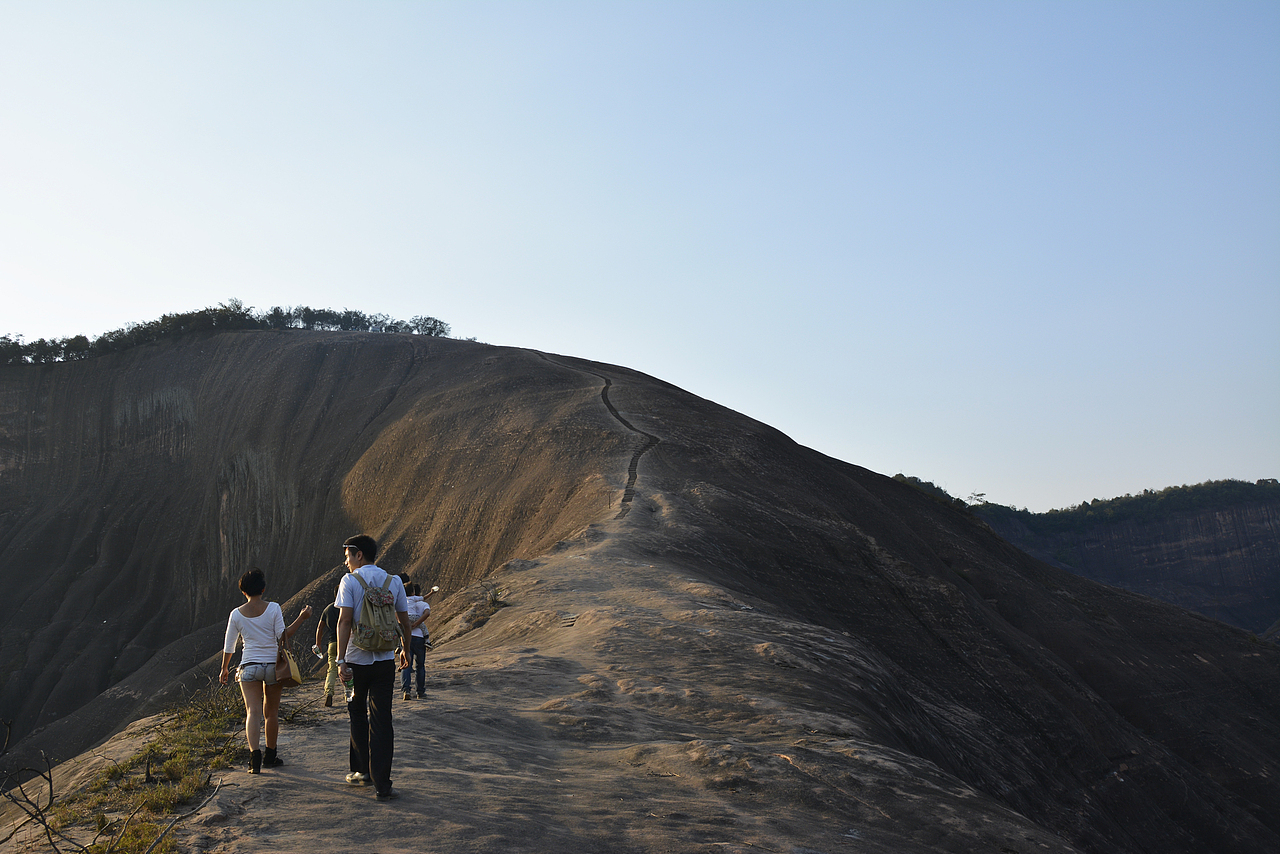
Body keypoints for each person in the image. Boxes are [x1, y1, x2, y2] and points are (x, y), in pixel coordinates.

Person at [336, 535, 413, 801]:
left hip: (356, 662)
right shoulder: (394, 582)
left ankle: (361, 772)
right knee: (382, 720)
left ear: (359, 555)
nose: (346, 562)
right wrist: (406, 650)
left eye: (347, 556)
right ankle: (383, 784)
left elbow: (344, 622)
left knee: (357, 712)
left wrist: (340, 660)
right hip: (384, 663)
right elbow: (404, 621)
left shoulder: (350, 581)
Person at [220, 568, 312, 774]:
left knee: (252, 712)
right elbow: (283, 636)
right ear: (263, 588)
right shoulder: (273, 608)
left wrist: (225, 668)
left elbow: (229, 646)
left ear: (243, 591)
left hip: (249, 667)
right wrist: (302, 617)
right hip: (272, 668)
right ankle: (271, 755)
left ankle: (254, 758)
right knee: (271, 713)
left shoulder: (236, 614)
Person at [314, 582, 343, 706]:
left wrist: (318, 644)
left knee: (332, 669)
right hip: (346, 642)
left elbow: (319, 628)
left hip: (332, 643)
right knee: (349, 669)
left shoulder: (328, 609)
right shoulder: (346, 607)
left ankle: (329, 692)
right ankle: (350, 695)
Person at [400, 583, 430, 700]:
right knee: (420, 666)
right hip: (419, 638)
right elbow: (427, 613)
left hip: (406, 637)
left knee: (406, 664)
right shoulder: (423, 603)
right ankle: (420, 692)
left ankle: (406, 690)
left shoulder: (402, 602)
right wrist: (417, 624)